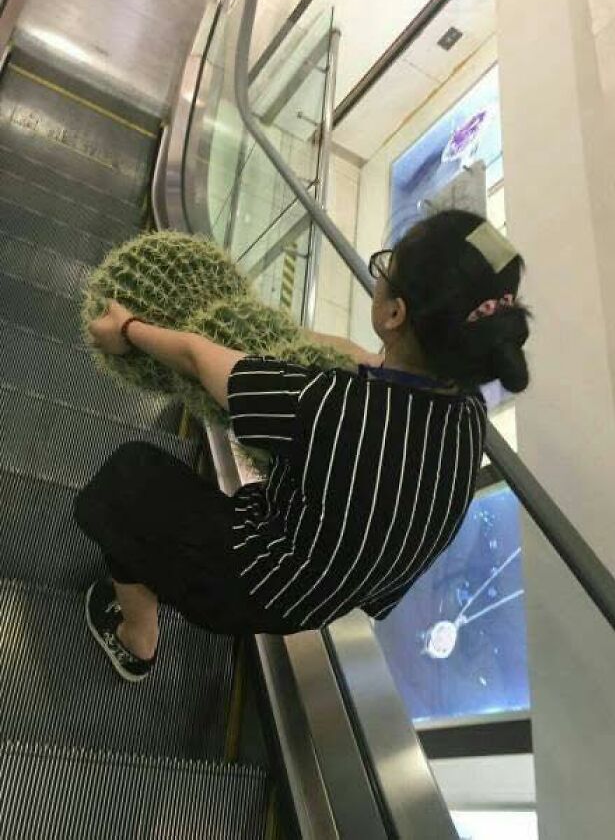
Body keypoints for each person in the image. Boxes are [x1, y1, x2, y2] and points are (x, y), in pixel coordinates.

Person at [76, 209, 530, 683]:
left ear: (395, 313)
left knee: (129, 481)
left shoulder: (330, 407)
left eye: (384, 268)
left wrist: (127, 332)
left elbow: (198, 358)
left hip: (253, 578)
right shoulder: (466, 410)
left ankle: (135, 642)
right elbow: (367, 361)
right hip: (325, 592)